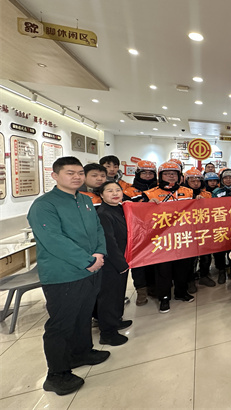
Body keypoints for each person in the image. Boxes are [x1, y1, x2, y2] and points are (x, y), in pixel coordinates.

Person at [27, 156, 109, 395]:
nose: (77, 177)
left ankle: (81, 352)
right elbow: (53, 239)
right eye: (70, 173)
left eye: (80, 173)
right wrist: (87, 261)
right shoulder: (44, 205)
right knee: (61, 323)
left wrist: (99, 254)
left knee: (83, 315)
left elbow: (97, 229)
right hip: (63, 274)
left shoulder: (84, 200)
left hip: (91, 269)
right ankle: (56, 374)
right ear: (55, 176)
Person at [143, 161, 195, 313]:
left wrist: (199, 201)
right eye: (167, 174)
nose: (171, 176)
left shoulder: (189, 192)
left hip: (183, 236)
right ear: (160, 176)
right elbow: (143, 217)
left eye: (174, 174)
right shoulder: (149, 194)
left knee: (183, 267)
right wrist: (147, 205)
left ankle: (181, 292)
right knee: (163, 270)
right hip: (162, 239)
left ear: (179, 176)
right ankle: (164, 297)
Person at [95, 181, 131, 346]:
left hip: (122, 258)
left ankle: (116, 320)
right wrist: (120, 263)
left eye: (118, 190)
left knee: (118, 293)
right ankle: (107, 333)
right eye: (109, 191)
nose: (115, 193)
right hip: (111, 261)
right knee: (109, 296)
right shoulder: (103, 213)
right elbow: (109, 242)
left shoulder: (120, 208)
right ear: (101, 195)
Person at [123, 160, 158, 305]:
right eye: (144, 173)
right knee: (138, 264)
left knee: (155, 261)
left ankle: (153, 288)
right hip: (136, 232)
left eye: (151, 173)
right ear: (138, 174)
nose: (148, 175)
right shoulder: (129, 191)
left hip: (157, 231)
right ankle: (141, 291)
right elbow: (124, 210)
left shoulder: (159, 189)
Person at [182, 168, 216, 288]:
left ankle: (204, 275)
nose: (196, 183)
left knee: (206, 254)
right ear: (186, 181)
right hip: (187, 228)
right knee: (190, 257)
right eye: (192, 181)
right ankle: (190, 279)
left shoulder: (207, 194)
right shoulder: (182, 193)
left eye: (198, 181)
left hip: (204, 227)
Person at [211, 169, 231, 284]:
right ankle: (221, 270)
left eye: (230, 177)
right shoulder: (217, 191)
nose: (228, 180)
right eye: (226, 178)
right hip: (220, 224)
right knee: (220, 249)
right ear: (222, 179)